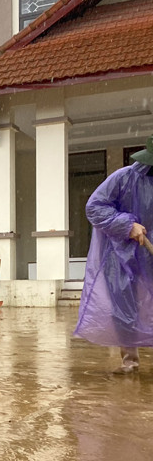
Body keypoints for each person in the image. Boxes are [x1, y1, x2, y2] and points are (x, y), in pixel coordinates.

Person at [73, 134, 153, 373]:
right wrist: (127, 225)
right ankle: (130, 362)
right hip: (121, 256)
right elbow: (94, 207)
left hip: (149, 254)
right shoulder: (124, 178)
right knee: (125, 308)